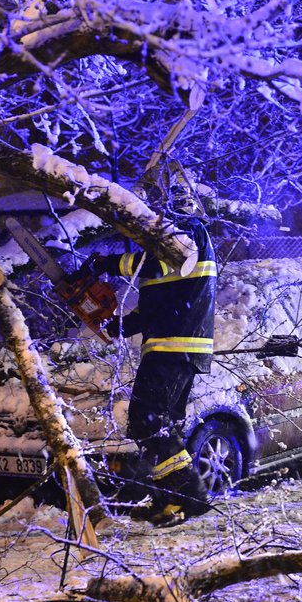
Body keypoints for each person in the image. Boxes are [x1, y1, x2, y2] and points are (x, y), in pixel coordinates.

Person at [85, 163, 217, 526]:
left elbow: (156, 267)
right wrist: (120, 325)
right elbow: (159, 301)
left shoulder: (186, 233)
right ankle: (170, 500)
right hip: (172, 344)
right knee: (159, 427)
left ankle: (192, 496)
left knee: (148, 424)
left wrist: (108, 263)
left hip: (175, 347)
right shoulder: (174, 243)